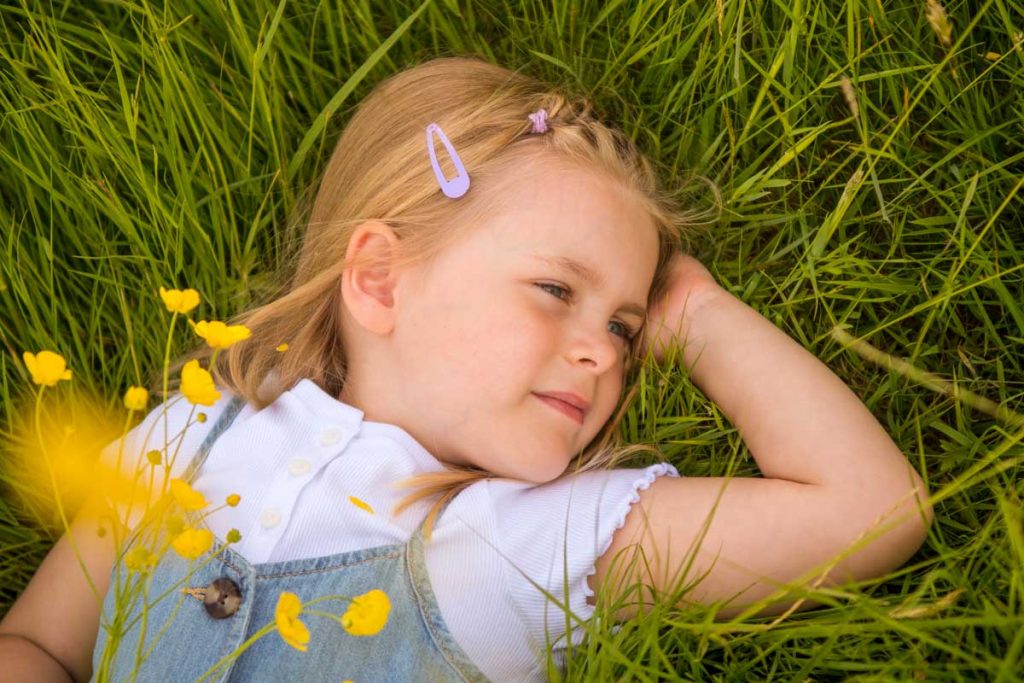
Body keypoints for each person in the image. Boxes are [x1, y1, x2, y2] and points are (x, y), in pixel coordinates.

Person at [0, 57, 932, 682]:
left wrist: (701, 318)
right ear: (377, 279)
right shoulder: (198, 431)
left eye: (624, 322)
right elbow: (42, 639)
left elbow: (869, 512)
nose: (604, 350)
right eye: (555, 289)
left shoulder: (529, 543)